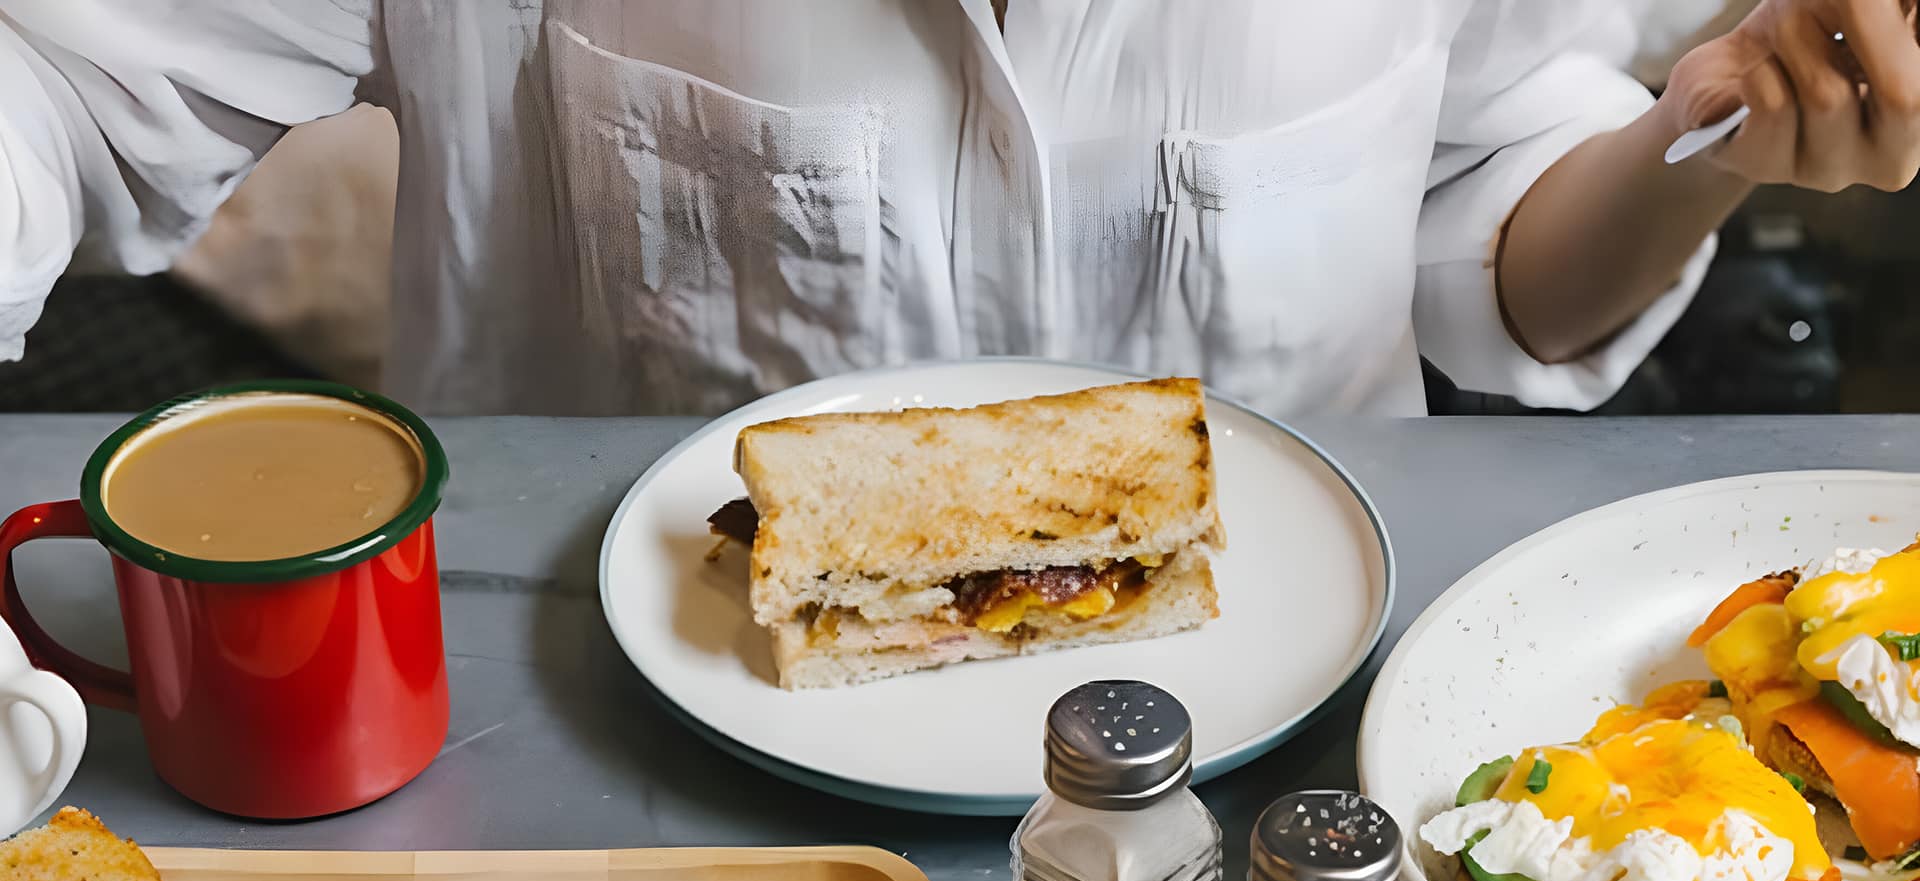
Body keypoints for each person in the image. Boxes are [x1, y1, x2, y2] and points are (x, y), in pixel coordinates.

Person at [0, 1, 1915, 420]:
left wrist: (1723, 148)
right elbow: (64, 87)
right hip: (613, 818)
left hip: (1297, 834)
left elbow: (1501, 242)